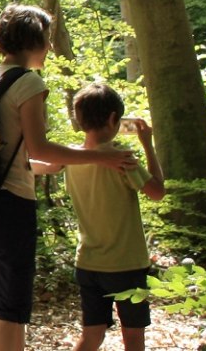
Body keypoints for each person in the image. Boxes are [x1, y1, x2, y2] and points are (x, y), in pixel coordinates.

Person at [0, 4, 138, 351]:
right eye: (48, 39)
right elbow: (40, 147)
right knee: (11, 313)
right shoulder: (28, 82)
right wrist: (101, 158)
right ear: (35, 41)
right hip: (9, 212)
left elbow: (15, 155)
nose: (51, 48)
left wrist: (44, 166)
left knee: (4, 310)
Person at [36, 83, 167, 351]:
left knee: (91, 335)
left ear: (79, 119)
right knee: (133, 338)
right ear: (113, 119)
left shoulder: (71, 158)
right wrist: (148, 145)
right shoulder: (121, 159)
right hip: (126, 265)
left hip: (88, 263)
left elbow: (37, 165)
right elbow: (157, 191)